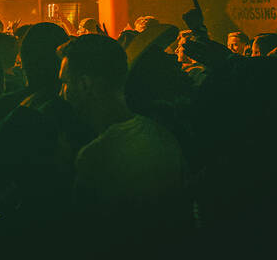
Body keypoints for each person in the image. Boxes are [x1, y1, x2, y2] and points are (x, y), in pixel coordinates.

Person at [58, 34, 188, 231]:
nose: (61, 93)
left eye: (65, 83)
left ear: (85, 85)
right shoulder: (164, 138)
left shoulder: (95, 157)